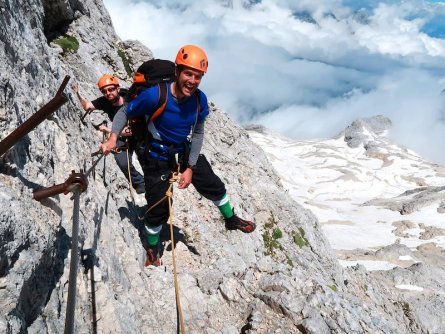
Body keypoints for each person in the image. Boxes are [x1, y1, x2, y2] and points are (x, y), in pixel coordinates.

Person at [100, 45, 256, 266]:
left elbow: (198, 132)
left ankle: (231, 219)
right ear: (177, 72)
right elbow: (125, 112)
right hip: (155, 157)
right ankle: (153, 247)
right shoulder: (156, 95)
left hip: (182, 151)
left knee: (214, 185)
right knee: (158, 210)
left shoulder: (199, 100)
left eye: (198, 76)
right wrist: (114, 138)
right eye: (188, 74)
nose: (192, 81)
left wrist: (190, 166)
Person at [72, 75, 145, 194]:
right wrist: (78, 93)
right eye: (104, 91)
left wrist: (108, 130)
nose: (108, 93)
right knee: (122, 161)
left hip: (139, 134)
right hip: (121, 135)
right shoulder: (104, 102)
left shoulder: (130, 100)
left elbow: (132, 130)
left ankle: (151, 183)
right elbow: (87, 106)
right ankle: (139, 182)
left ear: (118, 88)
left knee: (146, 162)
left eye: (111, 89)